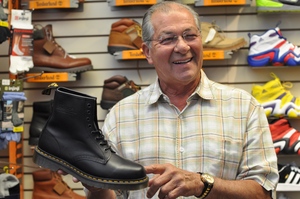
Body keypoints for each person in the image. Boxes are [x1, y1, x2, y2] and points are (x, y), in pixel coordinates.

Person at [61, 1, 279, 198]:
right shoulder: (120, 115)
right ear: (147, 52)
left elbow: (263, 193)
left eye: (190, 35)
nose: (183, 47)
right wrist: (96, 186)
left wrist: (203, 183)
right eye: (168, 38)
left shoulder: (244, 107)